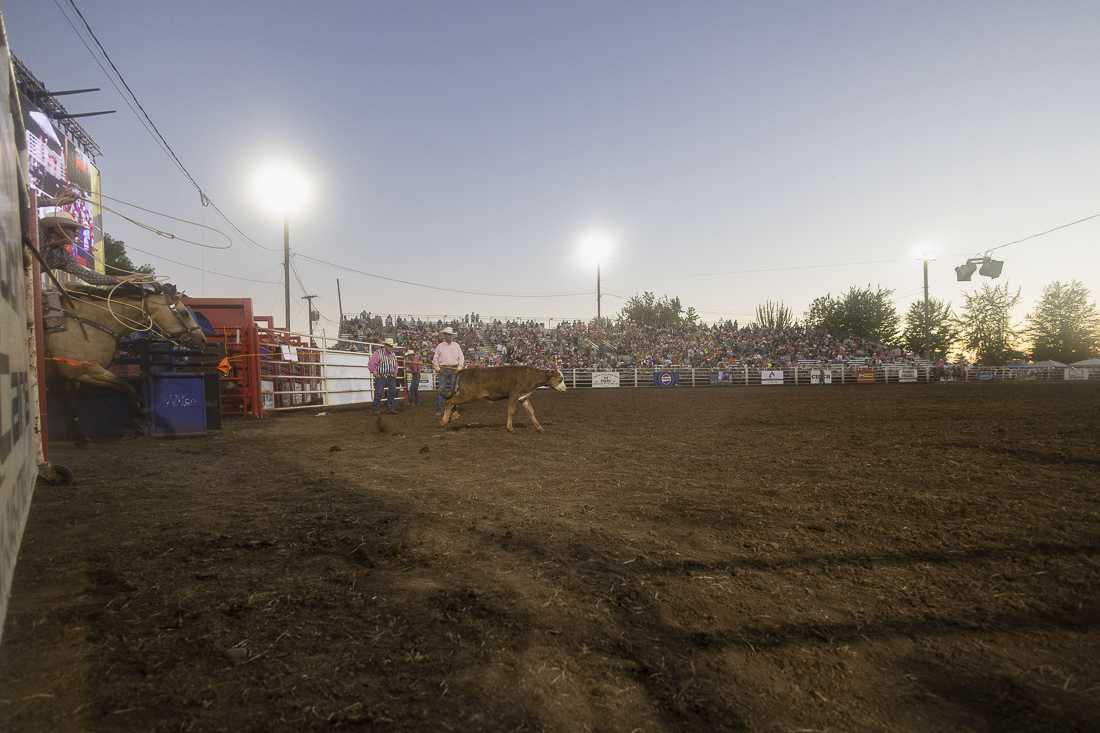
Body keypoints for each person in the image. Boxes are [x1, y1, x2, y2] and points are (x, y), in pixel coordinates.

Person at [433, 326, 465, 416]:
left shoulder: (456, 345)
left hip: (454, 369)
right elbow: (435, 358)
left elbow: (461, 357)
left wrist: (459, 367)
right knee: (441, 389)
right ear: (444, 335)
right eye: (447, 335)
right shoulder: (440, 346)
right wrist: (438, 369)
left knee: (453, 389)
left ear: (452, 336)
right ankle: (440, 409)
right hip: (443, 369)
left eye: (450, 335)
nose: (449, 337)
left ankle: (453, 408)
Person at [368, 338, 399, 415]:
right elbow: (371, 364)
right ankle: (376, 409)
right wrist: (375, 373)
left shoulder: (393, 354)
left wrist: (395, 372)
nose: (391, 348)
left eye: (391, 346)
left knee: (392, 392)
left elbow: (396, 365)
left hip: (391, 376)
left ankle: (391, 408)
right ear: (385, 346)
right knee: (378, 392)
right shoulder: (378, 353)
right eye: (389, 346)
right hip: (381, 376)